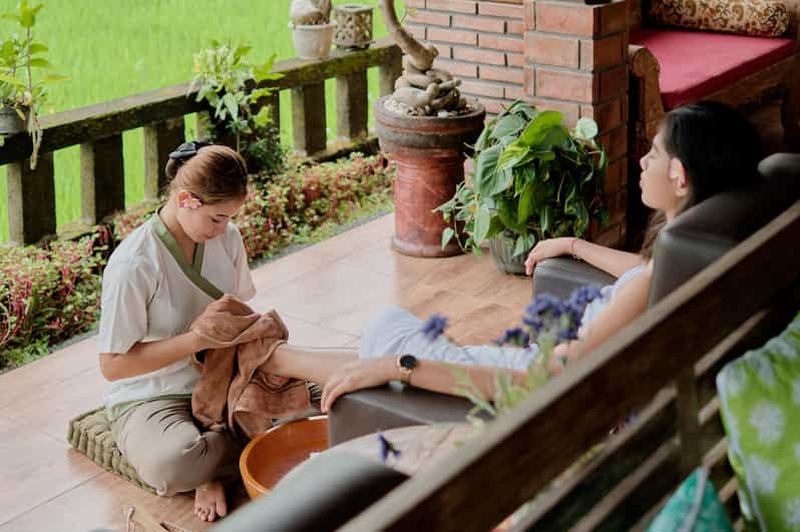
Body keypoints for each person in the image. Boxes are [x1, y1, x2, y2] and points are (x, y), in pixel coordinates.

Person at [259, 101, 763, 413]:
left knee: (387, 330)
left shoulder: (659, 278)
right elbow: (648, 274)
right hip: (541, 363)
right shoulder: (700, 244)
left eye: (653, 153)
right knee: (385, 343)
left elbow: (547, 382)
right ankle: (272, 364)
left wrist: (402, 367)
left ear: (679, 175)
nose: (644, 160)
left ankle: (266, 363)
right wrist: (572, 245)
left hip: (532, 395)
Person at [97, 141, 254, 523]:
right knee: (173, 464)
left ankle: (211, 465)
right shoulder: (134, 263)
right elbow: (113, 365)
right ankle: (215, 464)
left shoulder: (227, 238)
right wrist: (196, 340)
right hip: (153, 394)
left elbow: (239, 310)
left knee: (311, 397)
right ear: (186, 199)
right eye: (216, 218)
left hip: (220, 377)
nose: (223, 230)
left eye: (229, 218)